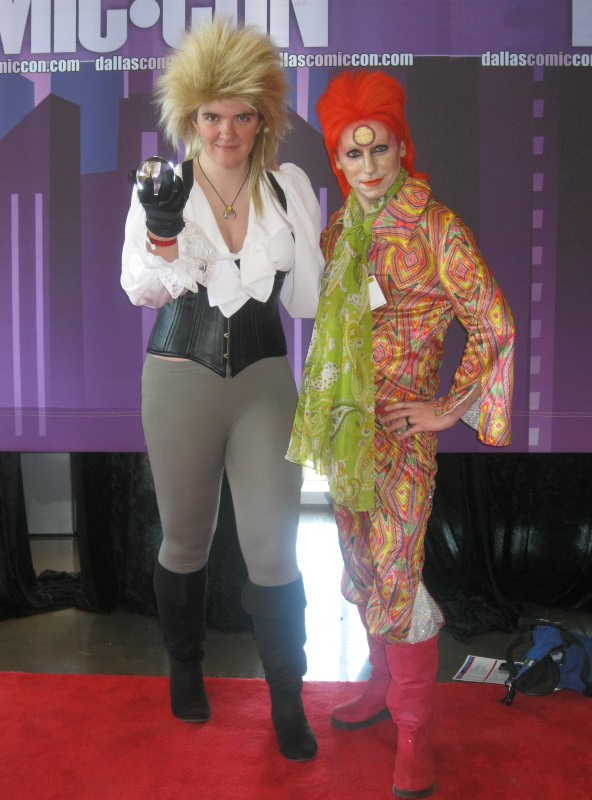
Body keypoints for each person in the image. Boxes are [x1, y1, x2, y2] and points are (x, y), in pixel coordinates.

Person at [287, 70, 514, 796]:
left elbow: (493, 323)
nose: (368, 166)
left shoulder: (437, 226)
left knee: (397, 571)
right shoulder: (338, 230)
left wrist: (446, 407)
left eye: (379, 148)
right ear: (337, 160)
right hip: (344, 431)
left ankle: (414, 730)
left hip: (401, 438)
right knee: (359, 561)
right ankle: (379, 685)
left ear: (402, 147)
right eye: (352, 154)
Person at [121, 19, 324, 762]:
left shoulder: (287, 186)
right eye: (212, 115)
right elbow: (140, 287)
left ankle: (288, 696)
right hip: (180, 378)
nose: (226, 132)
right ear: (190, 115)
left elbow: (304, 299)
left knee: (275, 548)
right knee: (185, 538)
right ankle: (184, 667)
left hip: (265, 381)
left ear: (263, 117)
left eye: (242, 115)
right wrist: (164, 231)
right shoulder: (161, 183)